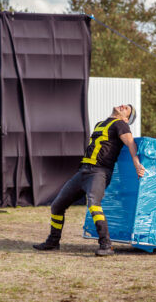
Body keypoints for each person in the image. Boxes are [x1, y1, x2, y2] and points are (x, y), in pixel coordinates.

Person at [33, 104, 145, 256]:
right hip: (83, 171)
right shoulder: (100, 124)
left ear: (126, 119)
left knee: (94, 204)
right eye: (125, 105)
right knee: (57, 206)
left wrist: (137, 164)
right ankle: (53, 242)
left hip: (99, 172)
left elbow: (131, 143)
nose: (124, 106)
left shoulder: (121, 125)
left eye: (127, 109)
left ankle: (106, 245)